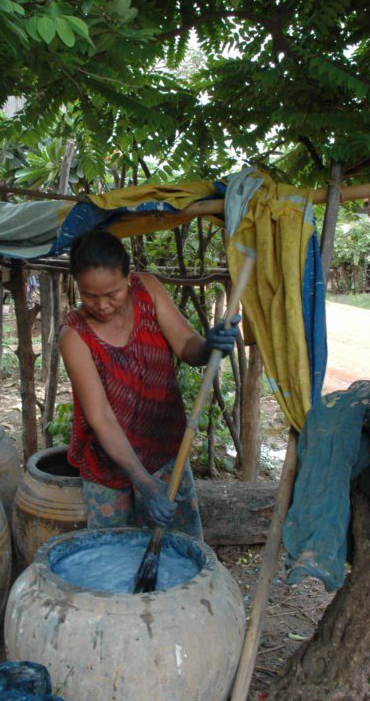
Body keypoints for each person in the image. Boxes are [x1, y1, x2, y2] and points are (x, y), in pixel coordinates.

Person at [59, 229, 240, 539]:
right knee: (115, 558)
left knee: (177, 549)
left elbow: (186, 346)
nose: (102, 305)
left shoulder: (149, 291)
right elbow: (101, 418)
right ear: (77, 285)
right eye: (90, 296)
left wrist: (209, 345)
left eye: (112, 293)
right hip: (107, 465)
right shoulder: (74, 335)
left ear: (128, 277)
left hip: (164, 448)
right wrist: (144, 484)